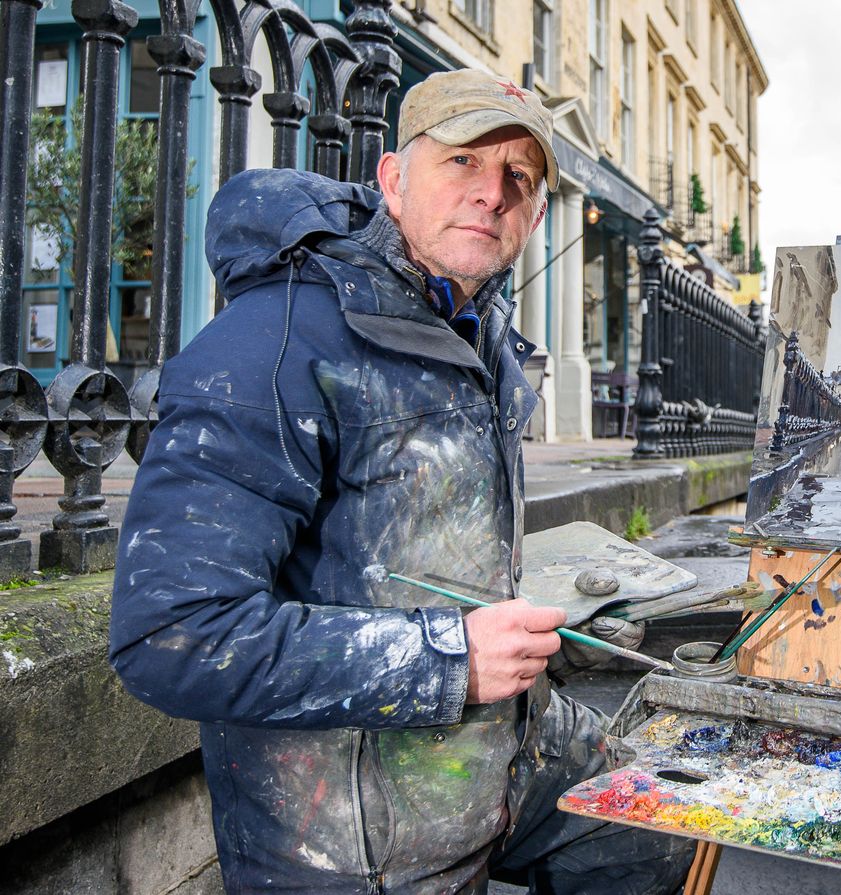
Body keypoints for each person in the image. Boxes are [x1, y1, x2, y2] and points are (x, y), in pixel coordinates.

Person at [109, 69, 694, 894]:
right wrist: (448, 659)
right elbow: (170, 636)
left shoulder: (471, 323)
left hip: (499, 750)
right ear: (392, 179)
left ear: (534, 215)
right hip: (352, 829)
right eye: (463, 161)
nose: (491, 192)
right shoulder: (275, 340)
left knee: (654, 823)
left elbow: (415, 547)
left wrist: (532, 637)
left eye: (518, 176)